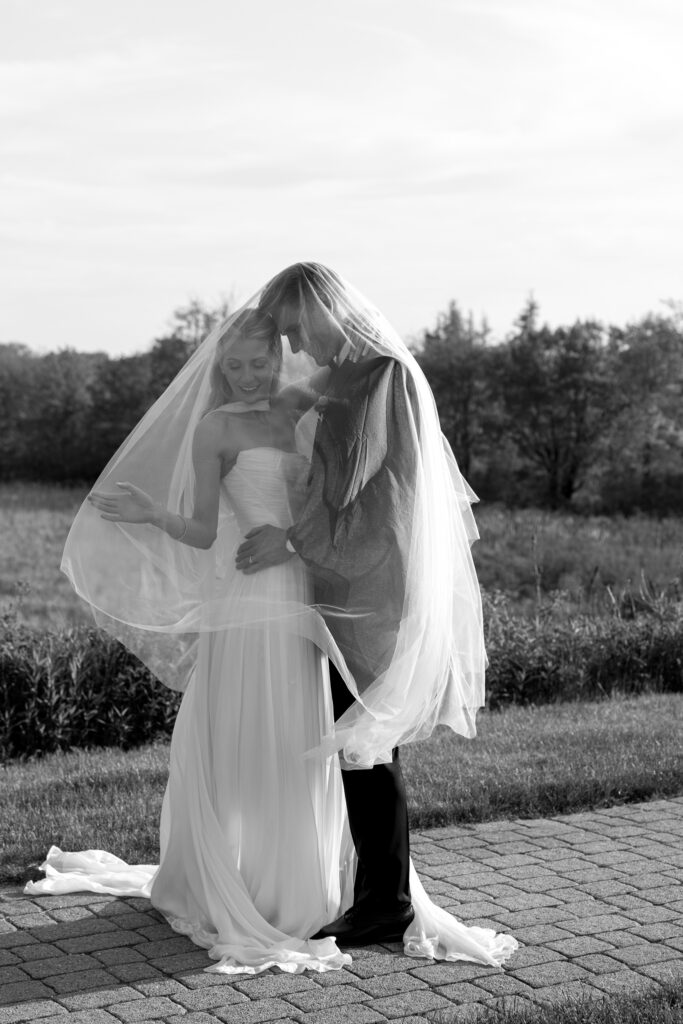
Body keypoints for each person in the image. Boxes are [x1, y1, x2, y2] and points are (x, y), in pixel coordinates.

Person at [25, 266, 517, 975]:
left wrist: (289, 539)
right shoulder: (333, 381)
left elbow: (373, 494)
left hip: (354, 584)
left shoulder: (374, 379)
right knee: (335, 740)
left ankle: (375, 898)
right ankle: (348, 889)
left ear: (314, 315)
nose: (287, 347)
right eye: (258, 350)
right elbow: (283, 488)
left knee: (359, 743)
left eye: (286, 335)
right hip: (309, 587)